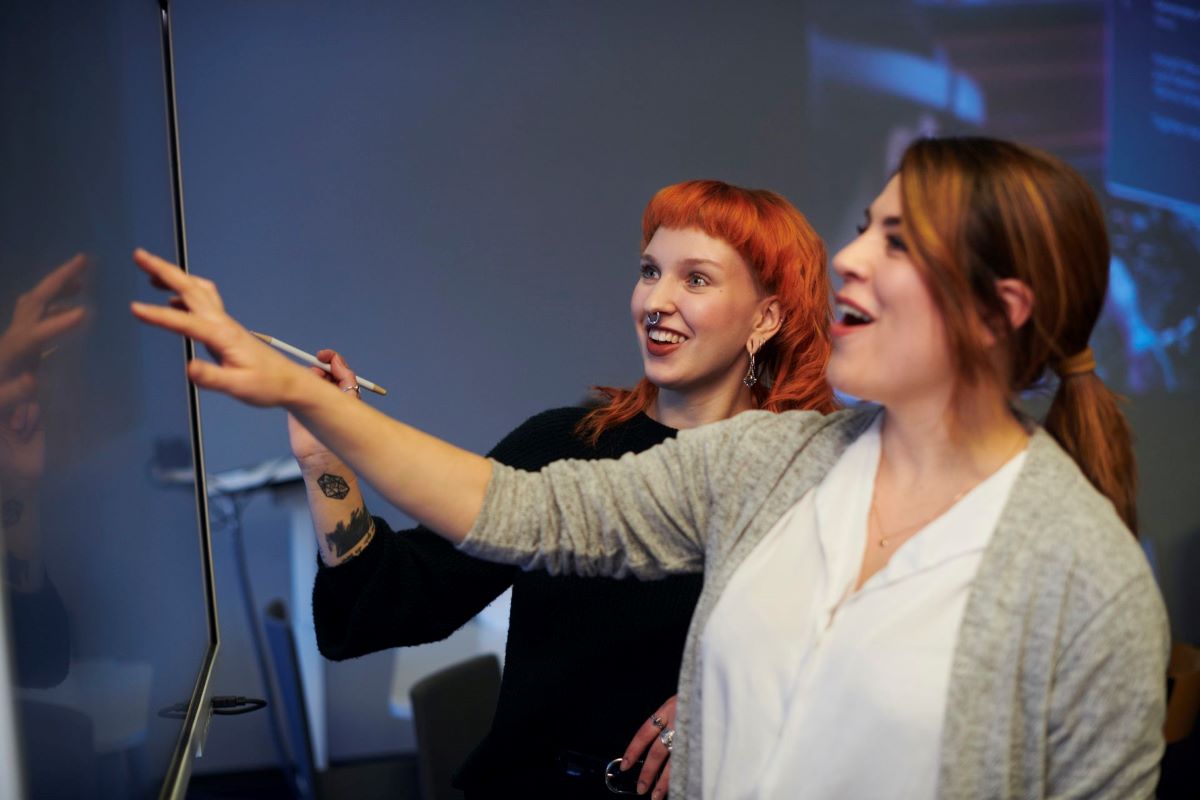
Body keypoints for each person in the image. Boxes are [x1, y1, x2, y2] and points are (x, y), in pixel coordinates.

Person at [131, 137, 1169, 799]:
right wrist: (321, 420)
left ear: (1003, 308)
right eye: (862, 231)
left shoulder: (1082, 578)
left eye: (896, 242)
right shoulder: (762, 464)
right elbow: (519, 511)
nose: (853, 258)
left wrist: (699, 706)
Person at [141, 180, 837, 798]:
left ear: (767, 319)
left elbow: (848, 655)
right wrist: (328, 456)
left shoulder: (799, 474)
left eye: (696, 280)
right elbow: (379, 609)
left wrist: (728, 691)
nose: (655, 301)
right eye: (649, 271)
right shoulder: (567, 443)